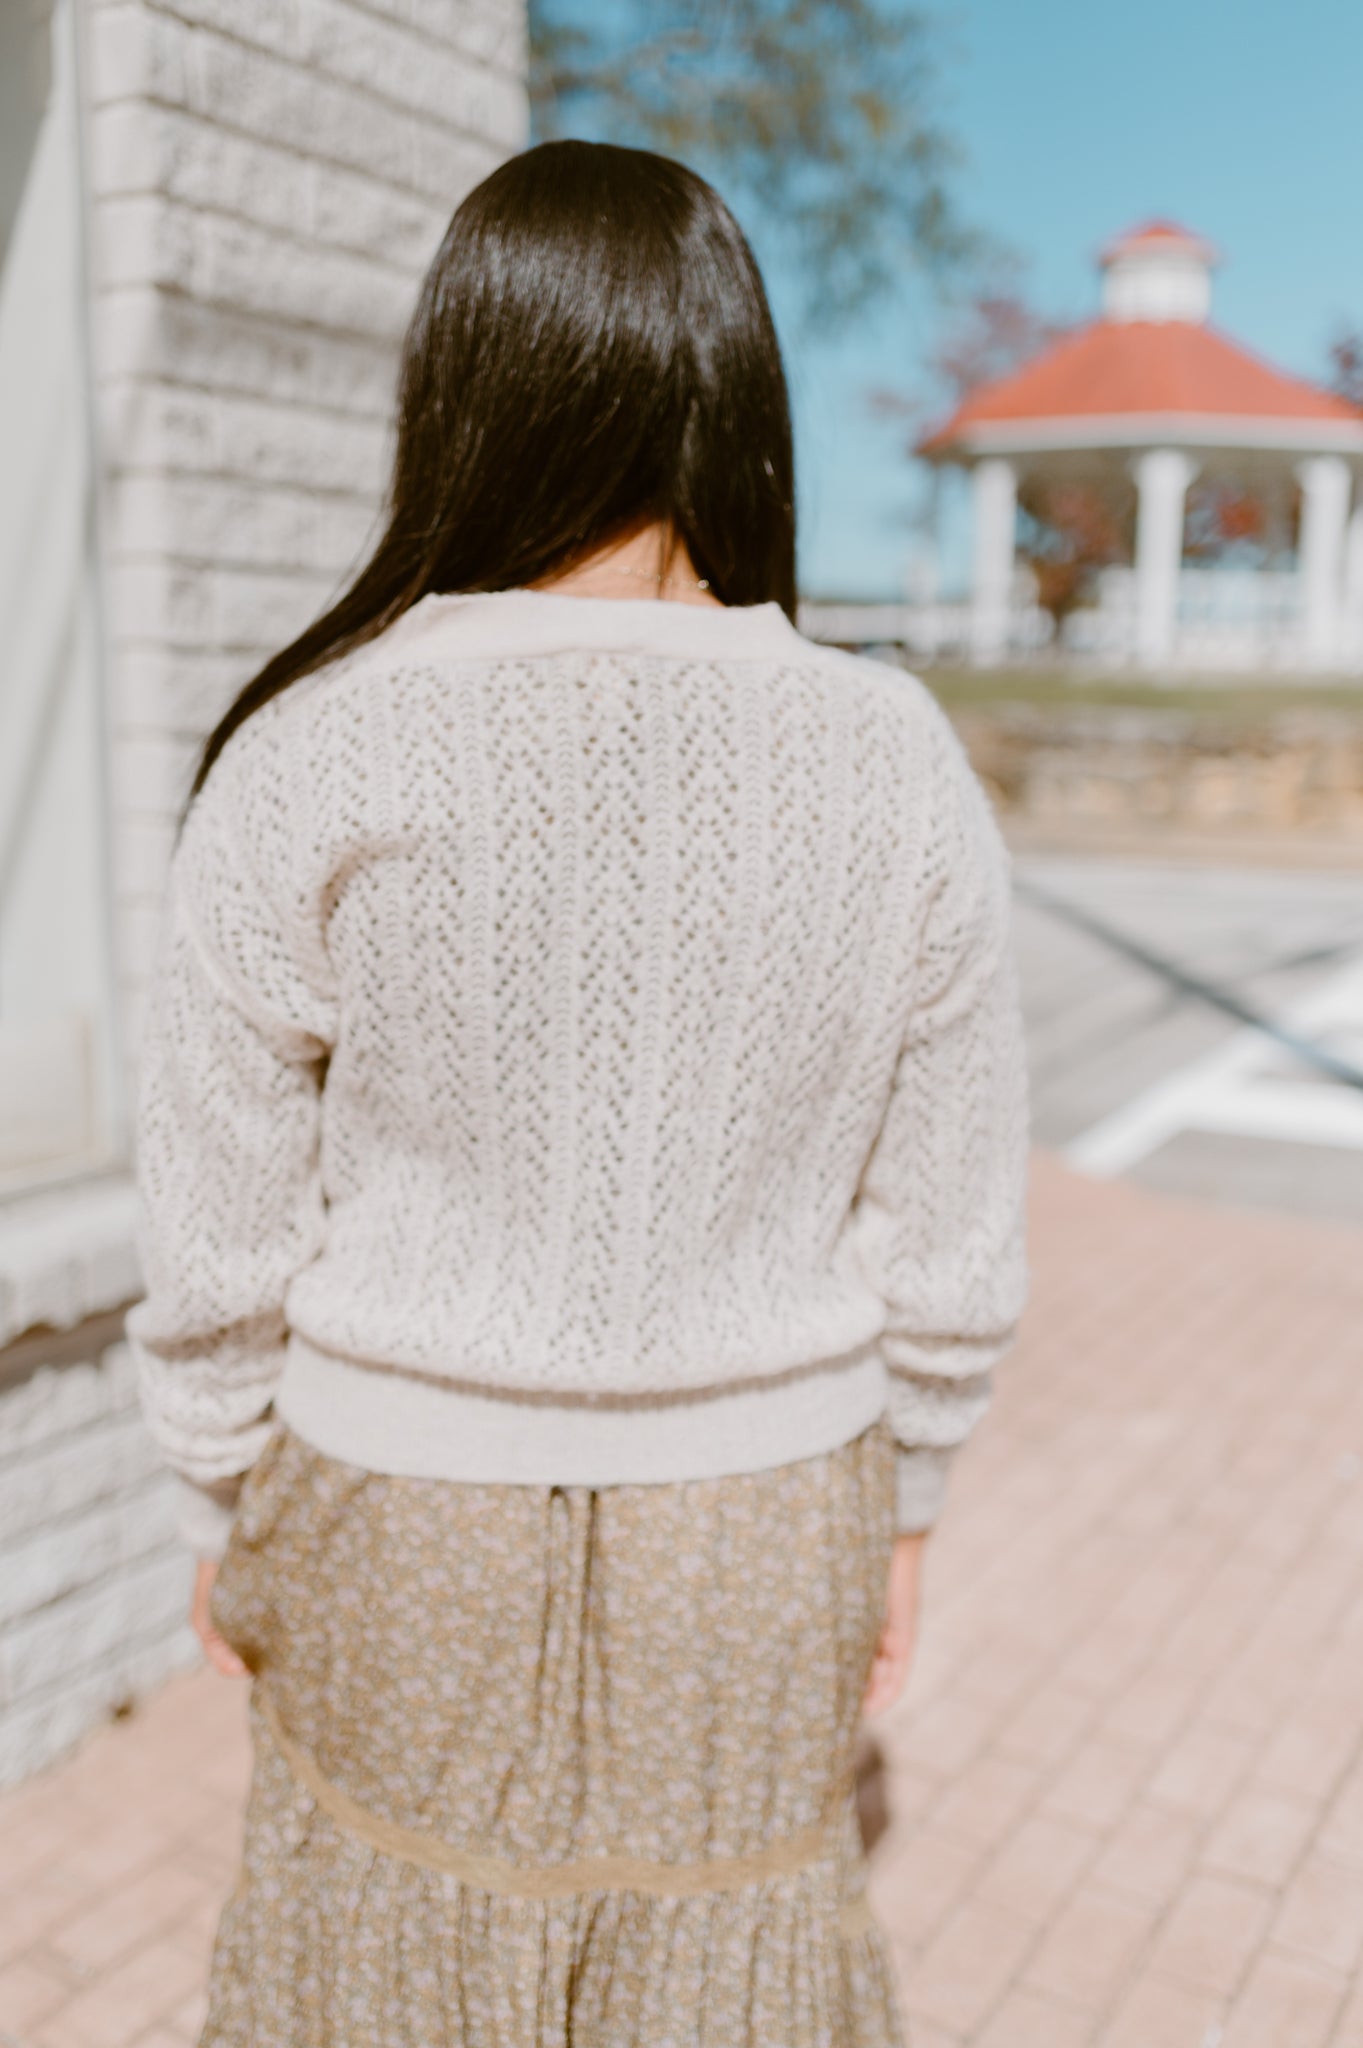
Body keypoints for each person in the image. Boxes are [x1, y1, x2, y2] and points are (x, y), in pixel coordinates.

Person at [126, 137, 1029, 2048]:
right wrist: (914, 1500)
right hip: (770, 1515)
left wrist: (222, 1486)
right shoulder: (892, 756)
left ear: (467, 389)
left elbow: (217, 1212)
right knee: (732, 1977)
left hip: (391, 1510)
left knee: (370, 1971)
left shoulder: (317, 744)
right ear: (738, 394)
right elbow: (948, 1218)